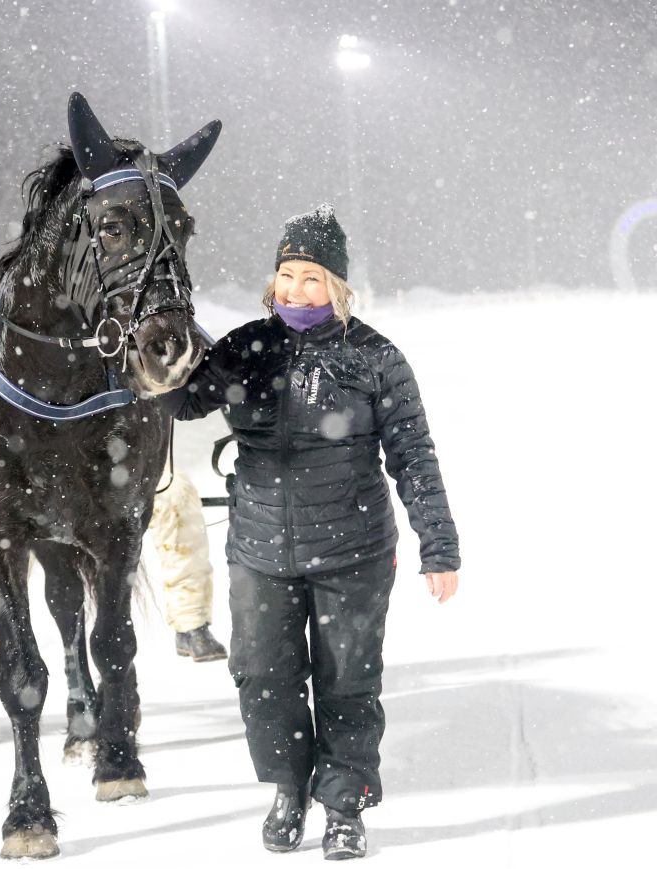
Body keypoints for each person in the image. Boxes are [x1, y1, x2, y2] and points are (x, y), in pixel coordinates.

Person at [161, 204, 460, 861]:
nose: (296, 289)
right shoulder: (244, 348)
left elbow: (414, 454)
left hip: (352, 550)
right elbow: (179, 401)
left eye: (312, 278)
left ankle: (345, 804)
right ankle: (288, 790)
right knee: (263, 677)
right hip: (261, 551)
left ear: (339, 288)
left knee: (347, 680)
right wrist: (154, 350)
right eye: (287, 275)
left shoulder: (374, 357)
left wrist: (438, 542)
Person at [0, 467, 228, 683]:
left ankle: (191, 621)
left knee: (175, 493)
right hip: (37, 456)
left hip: (121, 454)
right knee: (4, 522)